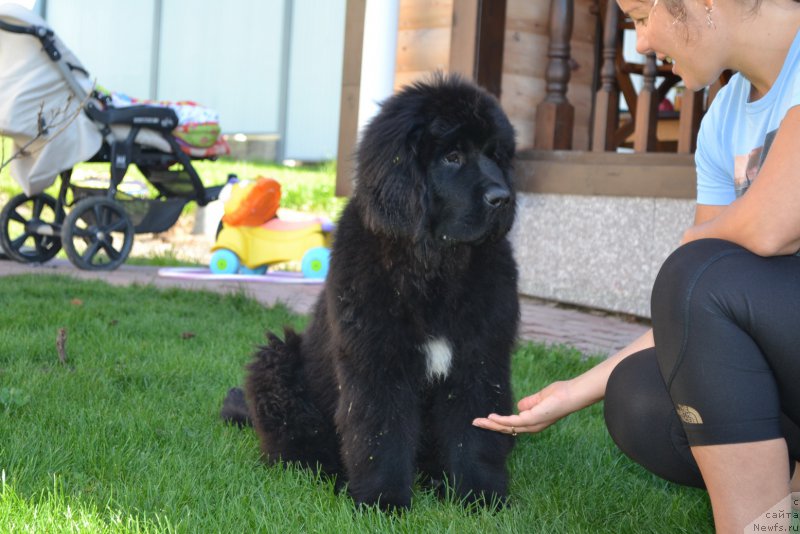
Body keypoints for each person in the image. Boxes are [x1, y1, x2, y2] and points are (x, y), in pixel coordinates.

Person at [473, 0, 800, 531]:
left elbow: (770, 227)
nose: (642, 43)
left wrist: (698, 240)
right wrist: (573, 390)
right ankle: (781, 503)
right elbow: (700, 304)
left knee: (696, 268)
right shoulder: (724, 117)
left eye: (642, 15)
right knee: (638, 396)